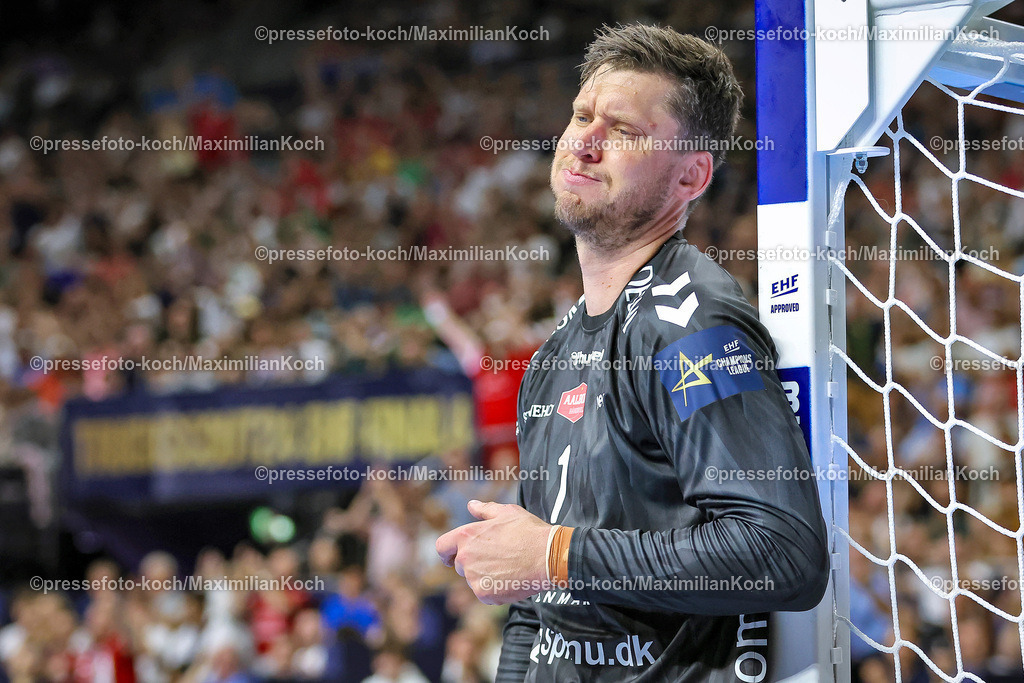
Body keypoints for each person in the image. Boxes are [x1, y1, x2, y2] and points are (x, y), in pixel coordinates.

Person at [435, 22, 829, 681]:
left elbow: (782, 552)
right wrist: (544, 560)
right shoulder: (554, 353)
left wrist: (556, 554)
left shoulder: (689, 320)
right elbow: (537, 608)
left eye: (622, 130)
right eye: (581, 115)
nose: (585, 141)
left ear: (691, 176)